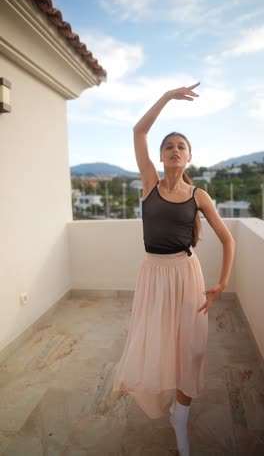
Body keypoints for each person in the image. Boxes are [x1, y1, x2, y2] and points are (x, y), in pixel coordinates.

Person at [112, 82, 235, 456]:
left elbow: (228, 240)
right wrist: (166, 97)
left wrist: (221, 284)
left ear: (189, 157)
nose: (174, 149)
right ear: (162, 157)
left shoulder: (199, 195)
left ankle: (180, 418)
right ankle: (168, 404)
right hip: (154, 273)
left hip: (187, 274)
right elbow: (139, 131)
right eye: (169, 146)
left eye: (181, 146)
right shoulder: (149, 183)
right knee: (158, 343)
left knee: (192, 349)